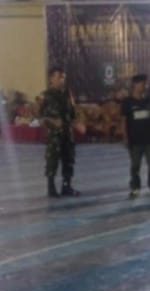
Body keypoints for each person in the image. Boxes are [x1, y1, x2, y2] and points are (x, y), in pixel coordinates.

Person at [42, 67, 80, 198]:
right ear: (51, 78)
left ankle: (66, 186)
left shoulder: (67, 95)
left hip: (67, 133)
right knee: (52, 161)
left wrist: (77, 123)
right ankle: (51, 188)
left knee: (69, 160)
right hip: (54, 135)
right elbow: (40, 116)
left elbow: (73, 113)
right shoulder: (46, 96)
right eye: (59, 77)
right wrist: (52, 121)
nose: (62, 80)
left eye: (63, 77)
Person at [122, 75, 150, 199]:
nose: (145, 86)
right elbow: (123, 121)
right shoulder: (127, 102)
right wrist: (125, 137)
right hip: (135, 140)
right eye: (143, 84)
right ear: (135, 85)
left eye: (146, 84)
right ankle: (135, 188)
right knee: (135, 166)